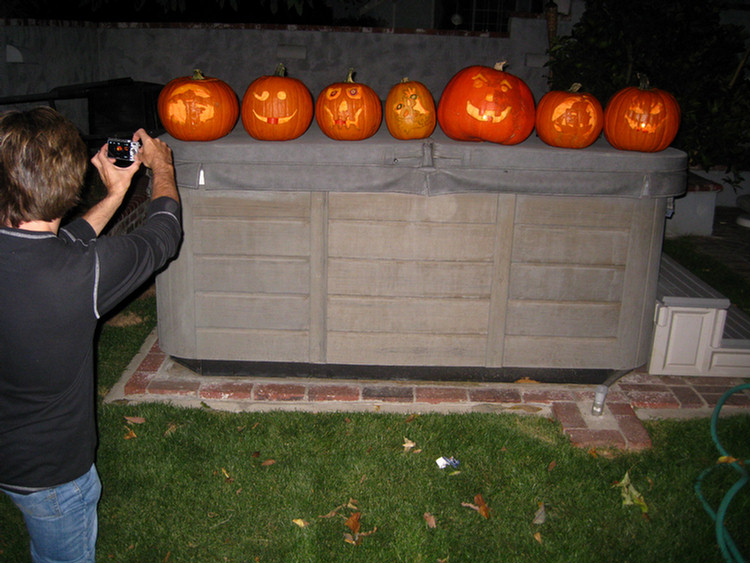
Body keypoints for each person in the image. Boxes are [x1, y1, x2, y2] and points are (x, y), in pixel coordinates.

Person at [0, 106, 182, 562]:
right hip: (50, 476)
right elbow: (164, 233)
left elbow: (62, 243)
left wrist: (118, 194)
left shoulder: (55, 262)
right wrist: (162, 168)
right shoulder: (82, 276)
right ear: (71, 184)